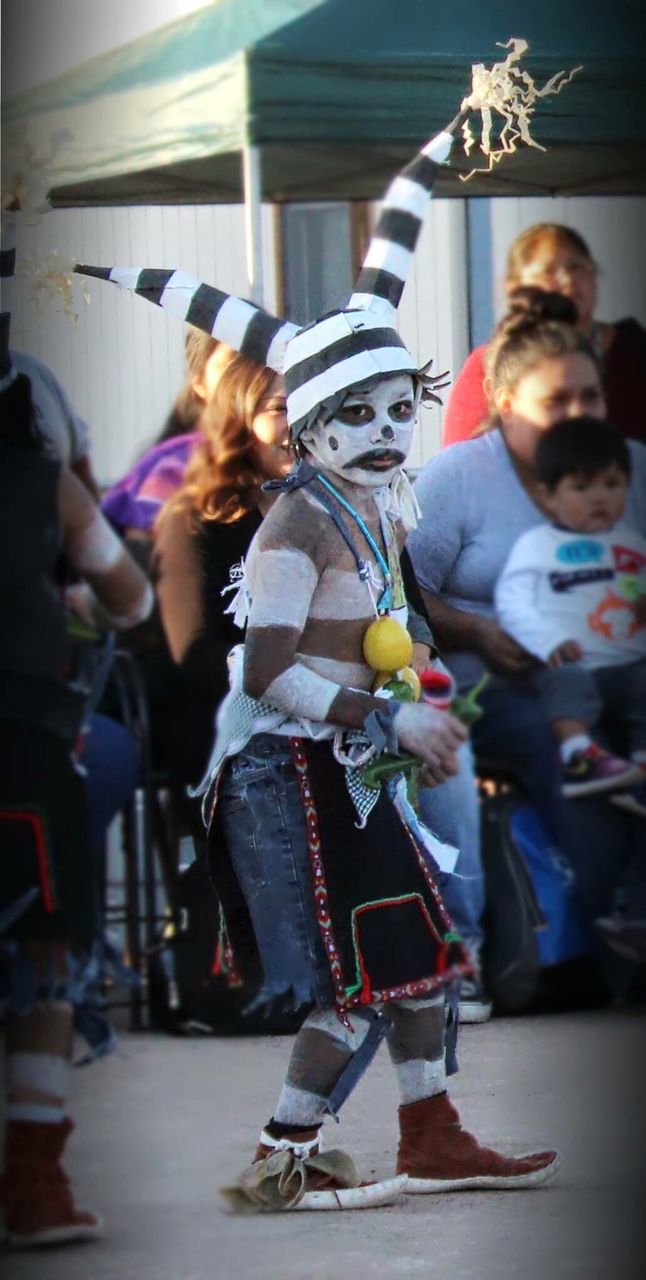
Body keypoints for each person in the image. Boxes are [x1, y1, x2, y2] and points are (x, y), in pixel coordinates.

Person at [408, 289, 646, 1010]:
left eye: (591, 398)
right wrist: (478, 630)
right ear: (506, 404)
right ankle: (623, 967)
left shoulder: (629, 466)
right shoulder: (459, 477)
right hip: (497, 681)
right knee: (576, 760)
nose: (578, 416)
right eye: (556, 402)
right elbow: (401, 594)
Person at [0, 329, 153, 1245]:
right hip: (22, 743)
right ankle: (33, 1178)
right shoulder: (41, 478)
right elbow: (127, 596)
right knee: (47, 962)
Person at [495, 416, 646, 806]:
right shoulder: (537, 545)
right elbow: (513, 601)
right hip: (571, 661)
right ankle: (580, 757)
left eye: (611, 485)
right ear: (547, 496)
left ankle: (638, 775)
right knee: (566, 683)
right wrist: (550, 640)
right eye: (581, 487)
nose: (599, 498)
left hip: (630, 663)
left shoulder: (632, 544)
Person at [442, 223, 646, 448]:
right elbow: (462, 459)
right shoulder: (489, 363)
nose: (568, 280)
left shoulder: (633, 351)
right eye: (549, 271)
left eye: (576, 267)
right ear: (514, 287)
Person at [101, 329, 236, 543]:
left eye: (260, 364)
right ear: (199, 382)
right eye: (232, 366)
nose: (251, 379)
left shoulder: (292, 458)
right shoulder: (172, 468)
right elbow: (143, 559)